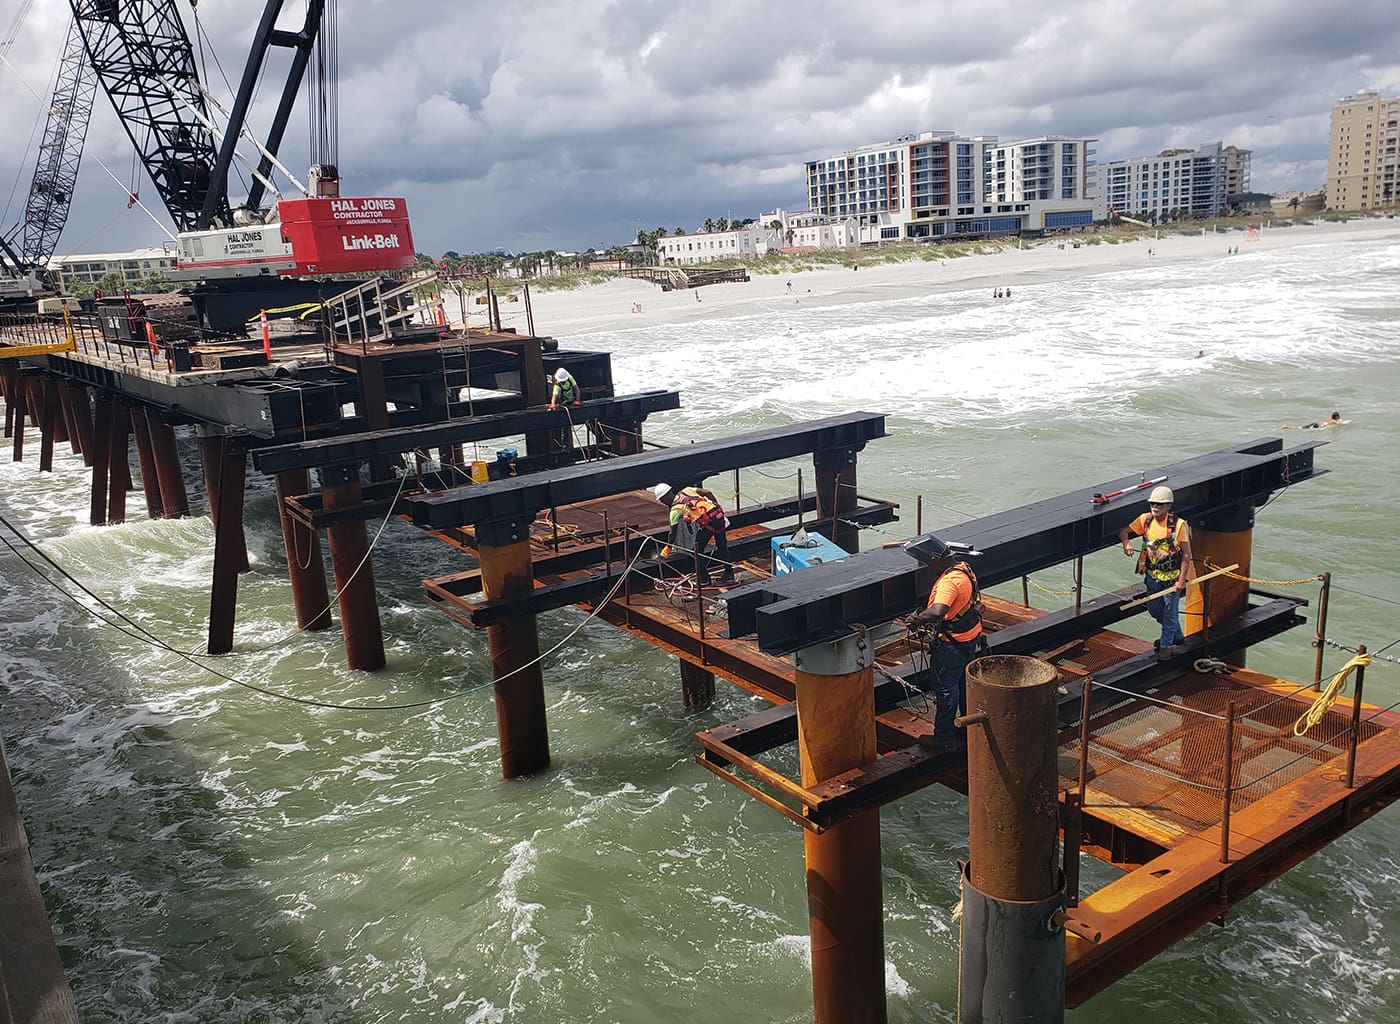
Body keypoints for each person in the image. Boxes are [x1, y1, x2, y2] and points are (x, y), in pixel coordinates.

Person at [902, 534, 986, 746]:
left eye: (927, 563)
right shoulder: (964, 568)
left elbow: (938, 611)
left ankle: (943, 738)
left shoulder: (949, 582)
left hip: (951, 644)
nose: (927, 568)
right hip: (969, 637)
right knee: (963, 684)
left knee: (946, 689)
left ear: (935, 559)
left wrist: (916, 619)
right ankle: (968, 727)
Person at [1118, 485, 1193, 660]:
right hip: (1152, 577)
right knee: (1154, 610)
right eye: (1153, 504)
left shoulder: (1179, 526)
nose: (1155, 507)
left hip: (1171, 579)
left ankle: (1166, 648)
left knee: (1169, 614)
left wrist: (1182, 580)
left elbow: (1186, 554)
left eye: (1160, 504)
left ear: (1169, 506)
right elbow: (1123, 531)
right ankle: (1176, 636)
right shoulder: (1145, 520)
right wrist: (1126, 543)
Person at [653, 483, 734, 587]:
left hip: (708, 523)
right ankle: (729, 575)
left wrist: (667, 550)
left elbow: (672, 534)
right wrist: (715, 504)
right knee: (722, 546)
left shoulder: (675, 510)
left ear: (665, 498)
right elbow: (707, 492)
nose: (662, 502)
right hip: (718, 515)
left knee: (696, 551)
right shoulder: (686, 490)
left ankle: (704, 579)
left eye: (661, 500)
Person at [1281, 411, 1347, 429]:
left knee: (1300, 427)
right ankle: (1286, 427)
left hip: (1315, 424)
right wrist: (1347, 422)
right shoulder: (1334, 421)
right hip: (1316, 426)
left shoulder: (1330, 419)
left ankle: (1286, 426)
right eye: (1338, 416)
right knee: (1299, 428)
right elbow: (1340, 424)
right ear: (1336, 417)